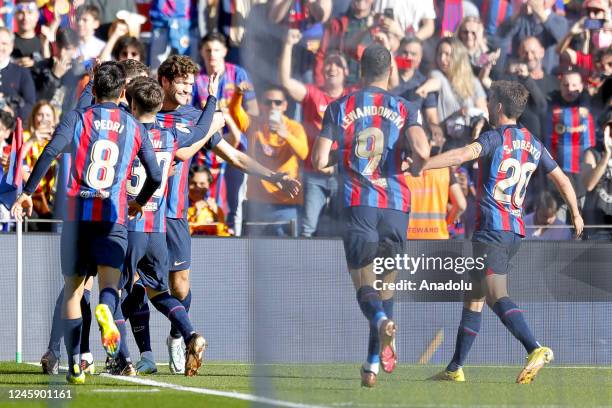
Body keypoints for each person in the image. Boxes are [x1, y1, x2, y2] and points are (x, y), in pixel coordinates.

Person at [139, 55, 300, 375]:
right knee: (136, 284)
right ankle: (143, 354)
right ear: (165, 82)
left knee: (179, 285)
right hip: (141, 211)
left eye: (190, 83)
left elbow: (234, 155)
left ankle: (177, 336)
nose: (187, 88)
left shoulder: (196, 118)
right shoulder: (146, 112)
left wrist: (273, 176)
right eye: (181, 82)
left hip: (173, 215)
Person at [10, 61, 162, 384]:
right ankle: (107, 311)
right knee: (109, 286)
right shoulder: (135, 126)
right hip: (113, 219)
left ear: (92, 91)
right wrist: (140, 201)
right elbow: (156, 174)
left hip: (78, 220)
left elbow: (50, 152)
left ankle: (77, 362)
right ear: (123, 92)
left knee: (73, 292)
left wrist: (26, 192)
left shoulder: (78, 118)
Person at [421, 80, 583, 384]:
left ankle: (535, 348)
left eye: (490, 99)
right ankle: (455, 368)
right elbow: (562, 179)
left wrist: (423, 165)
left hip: (492, 229)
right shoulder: (533, 142)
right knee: (474, 297)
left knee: (496, 295)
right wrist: (575, 212)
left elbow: (460, 156)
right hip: (514, 231)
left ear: (498, 106)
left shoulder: (495, 137)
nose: (486, 103)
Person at [311, 43, 429, 387]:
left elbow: (318, 160)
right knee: (386, 289)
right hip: (396, 207)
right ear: (390, 72)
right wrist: (416, 164)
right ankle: (373, 362)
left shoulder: (339, 106)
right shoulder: (406, 107)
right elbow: (422, 148)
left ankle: (379, 324)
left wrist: (345, 153)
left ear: (359, 73)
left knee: (365, 288)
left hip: (359, 204)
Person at [118, 75, 225, 376]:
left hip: (130, 225)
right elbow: (202, 130)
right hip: (157, 228)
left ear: (132, 103)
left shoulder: (128, 132)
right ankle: (190, 333)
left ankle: (124, 359)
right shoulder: (169, 136)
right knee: (158, 292)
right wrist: (212, 99)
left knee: (115, 292)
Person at [280, 28, 351, 237]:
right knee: (307, 229)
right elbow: (285, 82)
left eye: (338, 64)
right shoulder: (313, 94)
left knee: (345, 229)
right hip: (314, 174)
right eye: (328, 62)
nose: (332, 67)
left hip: (344, 175)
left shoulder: (354, 97)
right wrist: (287, 44)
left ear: (347, 72)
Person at [245, 86, 308, 236]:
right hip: (258, 201)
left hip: (286, 202)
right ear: (261, 105)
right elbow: (237, 115)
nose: (273, 106)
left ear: (285, 105)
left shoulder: (294, 127)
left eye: (278, 102)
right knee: (254, 253)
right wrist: (237, 94)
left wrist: (286, 134)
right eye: (268, 102)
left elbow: (304, 154)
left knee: (287, 251)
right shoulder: (254, 125)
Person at [0, 27, 36, 119]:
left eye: (4, 44)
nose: (0, 47)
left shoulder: (22, 72)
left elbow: (30, 105)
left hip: (12, 128)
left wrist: (12, 112)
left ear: (11, 46)